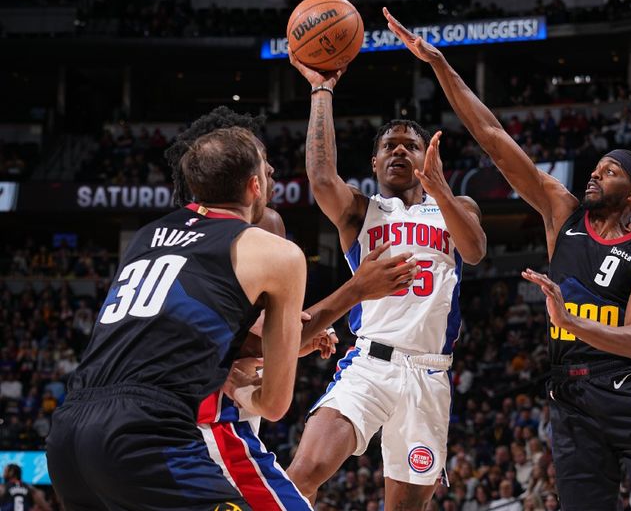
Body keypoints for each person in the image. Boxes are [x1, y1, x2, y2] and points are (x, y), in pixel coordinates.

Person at [384, 7, 631, 510]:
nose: (597, 176)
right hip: (572, 399)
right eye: (597, 168)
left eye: (611, 172)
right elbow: (494, 140)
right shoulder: (563, 212)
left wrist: (568, 320)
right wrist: (440, 64)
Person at [166, 108, 418, 509]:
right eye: (263, 163)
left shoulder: (173, 234)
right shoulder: (254, 232)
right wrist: (355, 290)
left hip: (189, 403)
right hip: (212, 406)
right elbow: (270, 371)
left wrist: (298, 338)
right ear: (240, 173)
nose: (272, 173)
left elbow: (266, 340)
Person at [46, 126, 307, 510]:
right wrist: (238, 390)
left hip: (68, 433)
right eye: (266, 168)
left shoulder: (146, 235)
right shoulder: (278, 254)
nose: (272, 175)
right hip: (144, 435)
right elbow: (274, 406)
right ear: (254, 186)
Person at [286, 48, 487, 509]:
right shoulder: (362, 210)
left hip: (429, 374)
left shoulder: (458, 207)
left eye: (410, 145)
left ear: (426, 158)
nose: (399, 150)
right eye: (388, 147)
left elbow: (474, 251)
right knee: (301, 475)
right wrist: (322, 89)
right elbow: (319, 178)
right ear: (375, 164)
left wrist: (440, 189)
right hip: (368, 365)